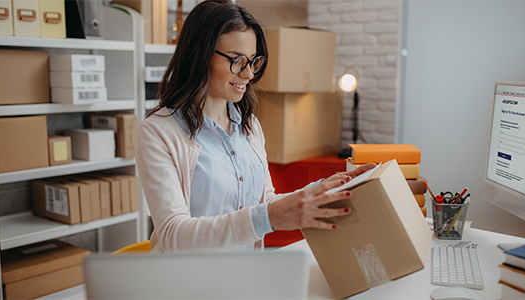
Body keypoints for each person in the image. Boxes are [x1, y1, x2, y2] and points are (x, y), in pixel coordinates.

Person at [135, 0, 376, 253]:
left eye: (253, 61)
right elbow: (175, 235)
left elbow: (265, 202)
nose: (249, 74)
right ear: (200, 55)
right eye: (237, 61)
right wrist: (268, 216)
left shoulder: (249, 126)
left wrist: (323, 190)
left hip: (242, 278)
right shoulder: (158, 132)